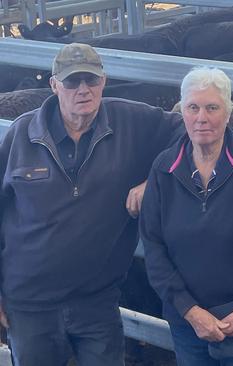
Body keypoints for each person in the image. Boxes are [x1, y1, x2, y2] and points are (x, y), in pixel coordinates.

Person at [0, 43, 184, 366]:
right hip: (30, 304)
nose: (83, 89)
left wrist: (155, 181)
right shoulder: (21, 135)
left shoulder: (131, 122)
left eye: (91, 80)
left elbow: (189, 133)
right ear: (54, 85)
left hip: (96, 300)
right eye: (72, 81)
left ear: (104, 81)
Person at [140, 66, 233, 366]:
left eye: (212, 107)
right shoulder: (164, 167)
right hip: (189, 324)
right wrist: (190, 311)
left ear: (228, 112)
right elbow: (154, 246)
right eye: (193, 107)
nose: (202, 118)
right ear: (181, 111)